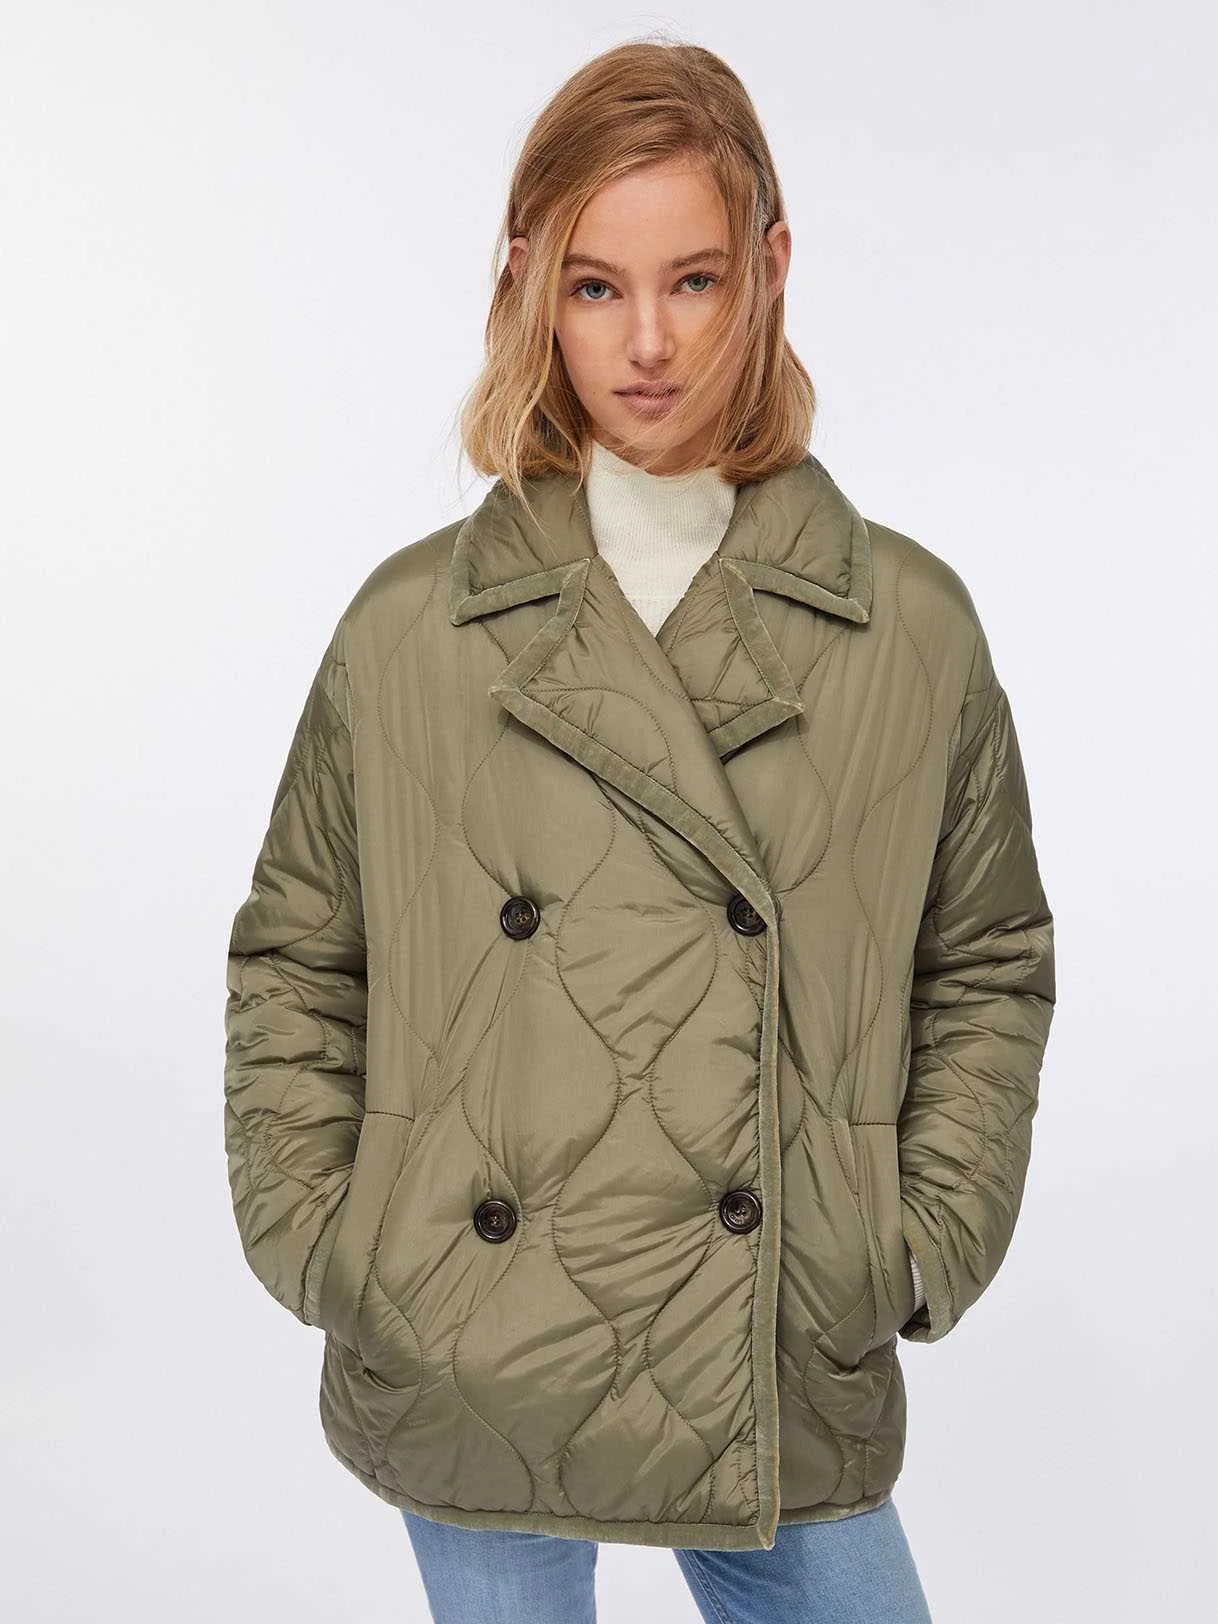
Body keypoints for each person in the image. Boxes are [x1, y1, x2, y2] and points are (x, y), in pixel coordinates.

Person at [222, 36, 1055, 1624]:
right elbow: (298, 962)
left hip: (774, 1330)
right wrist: (336, 1246)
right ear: (528, 282)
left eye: (694, 281)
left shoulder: (907, 629)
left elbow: (985, 963)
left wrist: (906, 1240)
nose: (649, 342)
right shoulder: (408, 632)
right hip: (466, 1333)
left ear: (771, 268)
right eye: (596, 287)